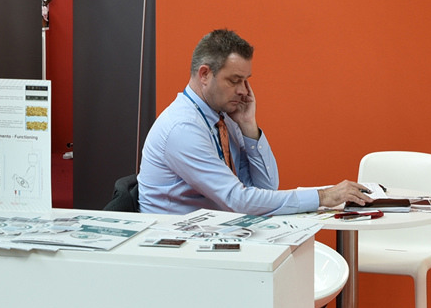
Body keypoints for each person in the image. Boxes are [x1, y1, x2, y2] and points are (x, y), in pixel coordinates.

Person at [138, 29, 370, 215]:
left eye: (245, 80)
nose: (243, 91)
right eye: (234, 80)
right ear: (205, 74)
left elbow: (266, 188)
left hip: (212, 235)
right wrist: (323, 196)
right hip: (177, 245)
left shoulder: (225, 118)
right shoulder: (182, 128)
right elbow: (238, 200)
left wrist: (249, 126)